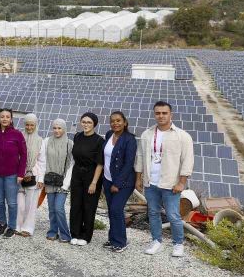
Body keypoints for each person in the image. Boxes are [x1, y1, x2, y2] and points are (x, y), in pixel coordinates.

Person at [135, 101, 194, 258]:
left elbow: (187, 161)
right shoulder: (147, 134)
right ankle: (156, 241)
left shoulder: (183, 136)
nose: (160, 116)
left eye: (164, 113)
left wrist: (182, 182)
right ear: (154, 114)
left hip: (171, 184)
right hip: (151, 182)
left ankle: (178, 244)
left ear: (171, 114)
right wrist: (139, 178)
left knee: (173, 215)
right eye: (157, 113)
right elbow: (140, 157)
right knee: (153, 213)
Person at [0, 108, 27, 239]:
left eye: (7, 117)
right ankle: (2, 223)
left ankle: (12, 226)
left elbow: (24, 155)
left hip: (12, 174)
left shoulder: (17, 134)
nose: (4, 119)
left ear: (11, 119)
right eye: (2, 116)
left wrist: (20, 174)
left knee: (12, 202)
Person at [102, 111, 137, 253]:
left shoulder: (130, 139)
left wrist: (117, 183)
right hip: (107, 179)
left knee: (116, 209)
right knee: (111, 210)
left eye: (118, 121)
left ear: (125, 123)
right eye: (112, 121)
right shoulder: (109, 135)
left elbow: (129, 164)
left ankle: (121, 241)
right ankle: (113, 238)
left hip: (123, 182)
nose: (115, 123)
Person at [34, 118, 73, 243]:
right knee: (51, 208)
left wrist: (67, 182)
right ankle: (52, 231)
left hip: (63, 182)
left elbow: (72, 164)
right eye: (54, 128)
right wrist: (41, 178)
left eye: (59, 128)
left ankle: (65, 234)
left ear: (64, 129)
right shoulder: (46, 141)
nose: (56, 130)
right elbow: (42, 160)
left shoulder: (70, 144)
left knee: (59, 208)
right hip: (50, 180)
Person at [69, 112, 104, 246]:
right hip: (77, 173)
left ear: (94, 124)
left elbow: (100, 163)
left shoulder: (99, 140)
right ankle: (75, 233)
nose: (86, 124)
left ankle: (85, 235)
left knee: (89, 206)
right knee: (76, 204)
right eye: (84, 122)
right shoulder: (78, 136)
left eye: (89, 122)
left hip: (92, 174)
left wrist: (94, 182)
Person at [16, 113, 42, 237]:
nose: (29, 127)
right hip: (19, 175)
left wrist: (40, 178)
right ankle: (17, 226)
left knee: (30, 205)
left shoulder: (40, 140)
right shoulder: (19, 137)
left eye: (32, 125)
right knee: (19, 204)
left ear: (35, 125)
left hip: (34, 175)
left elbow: (42, 161)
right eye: (27, 124)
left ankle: (27, 228)